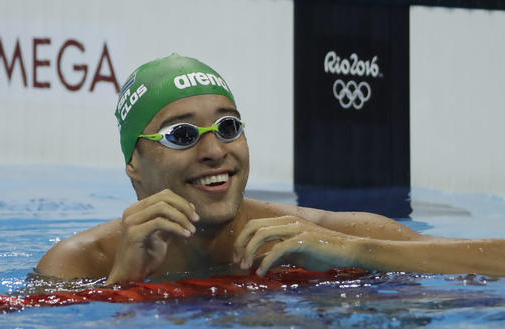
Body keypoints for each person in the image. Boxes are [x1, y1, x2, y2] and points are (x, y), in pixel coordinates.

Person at [37, 54, 505, 284]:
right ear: (133, 166)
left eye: (227, 126)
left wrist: (354, 251)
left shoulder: (322, 234)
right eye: (182, 135)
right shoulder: (80, 265)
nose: (214, 150)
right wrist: (124, 285)